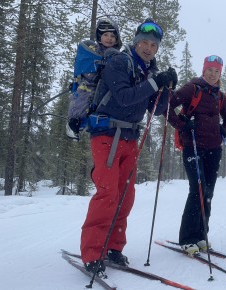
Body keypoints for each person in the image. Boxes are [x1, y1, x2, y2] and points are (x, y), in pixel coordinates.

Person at [80, 18, 178, 275]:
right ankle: (92, 253)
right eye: (144, 42)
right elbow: (123, 98)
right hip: (106, 134)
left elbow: (156, 110)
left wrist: (167, 87)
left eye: (153, 45)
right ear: (135, 43)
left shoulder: (148, 71)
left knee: (125, 197)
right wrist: (156, 83)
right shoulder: (119, 62)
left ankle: (114, 247)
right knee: (107, 194)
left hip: (130, 139)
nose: (148, 48)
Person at [167, 55, 226, 255]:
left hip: (214, 149)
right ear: (203, 70)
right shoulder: (192, 88)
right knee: (197, 189)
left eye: (217, 71)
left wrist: (224, 130)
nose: (213, 75)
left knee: (208, 192)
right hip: (193, 146)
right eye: (210, 70)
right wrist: (183, 124)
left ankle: (201, 235)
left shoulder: (219, 96)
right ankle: (187, 238)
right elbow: (168, 106)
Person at [66, 17, 123, 139]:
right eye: (106, 35)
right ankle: (75, 121)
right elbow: (86, 74)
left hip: (109, 96)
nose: (109, 38)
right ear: (99, 37)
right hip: (91, 88)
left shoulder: (119, 56)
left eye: (112, 36)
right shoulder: (94, 53)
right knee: (84, 94)